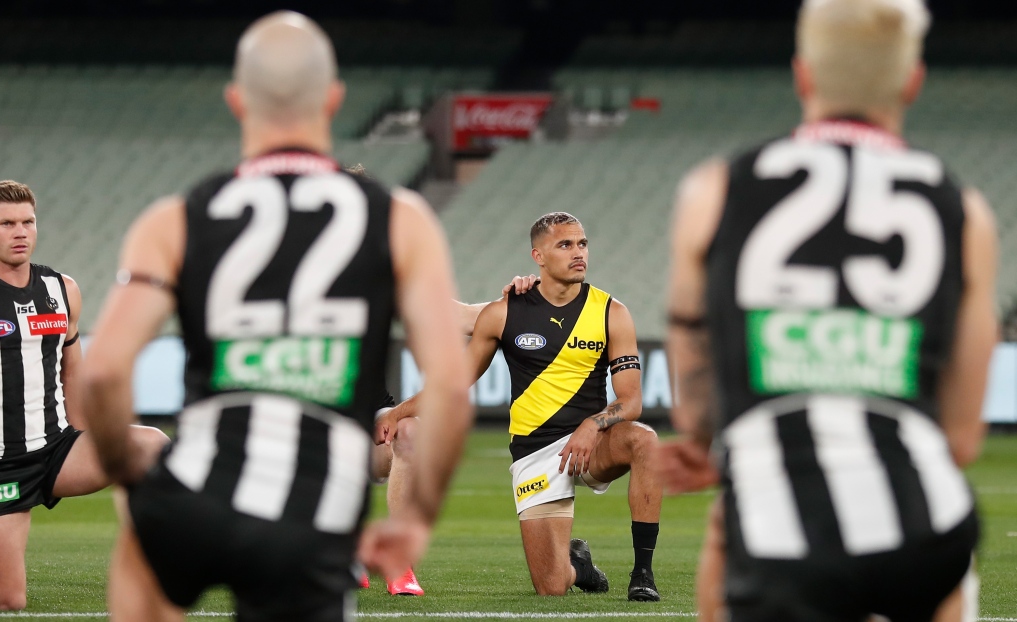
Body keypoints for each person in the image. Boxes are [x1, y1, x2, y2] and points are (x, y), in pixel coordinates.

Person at [78, 12, 474, 622]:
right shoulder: (401, 219)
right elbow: (449, 386)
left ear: (236, 102)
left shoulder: (174, 219)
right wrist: (415, 521)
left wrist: (128, 470)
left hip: (193, 491)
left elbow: (103, 372)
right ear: (334, 100)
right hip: (313, 511)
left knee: (141, 561)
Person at [660, 0, 998, 620]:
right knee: (930, 519)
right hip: (926, 530)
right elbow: (962, 438)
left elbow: (698, 404)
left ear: (803, 75)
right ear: (913, 81)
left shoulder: (713, 190)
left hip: (778, 539)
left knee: (729, 526)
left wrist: (715, 444)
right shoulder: (964, 210)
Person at [382, 212, 663, 601]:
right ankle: (577, 564)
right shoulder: (504, 313)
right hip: (534, 451)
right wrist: (401, 411)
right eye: (565, 245)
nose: (578, 252)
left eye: (582, 243)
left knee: (645, 441)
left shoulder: (611, 312)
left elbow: (631, 401)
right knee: (551, 588)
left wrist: (591, 426)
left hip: (592, 444)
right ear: (538, 256)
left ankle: (643, 574)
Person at [0, 180, 169, 610]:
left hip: (58, 450)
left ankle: (157, 569)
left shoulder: (63, 290)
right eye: (7, 224)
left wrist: (85, 437)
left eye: (28, 222)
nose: (20, 232)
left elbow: (72, 371)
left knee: (154, 447)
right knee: (6, 601)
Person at [365, 277, 536, 596]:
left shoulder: (380, 281)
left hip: (368, 422)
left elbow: (468, 316)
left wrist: (530, 298)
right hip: (300, 427)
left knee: (411, 431)